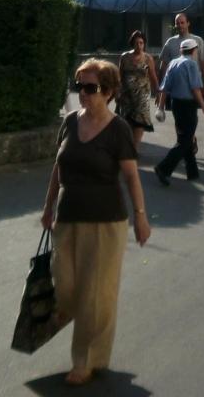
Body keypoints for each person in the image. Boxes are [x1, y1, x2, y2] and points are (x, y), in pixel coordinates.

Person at [41, 58, 151, 386]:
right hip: (68, 216)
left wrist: (141, 217)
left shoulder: (118, 130)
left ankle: (86, 360)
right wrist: (48, 207)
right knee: (64, 285)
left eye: (90, 88)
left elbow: (131, 177)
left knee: (96, 295)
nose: (83, 93)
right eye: (79, 86)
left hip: (106, 221)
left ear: (108, 92)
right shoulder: (70, 122)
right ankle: (75, 317)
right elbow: (58, 168)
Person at [154, 37, 204, 185]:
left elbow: (165, 87)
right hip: (188, 106)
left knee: (185, 138)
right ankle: (163, 168)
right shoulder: (191, 64)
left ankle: (192, 173)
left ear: (181, 50)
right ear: (194, 50)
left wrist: (161, 107)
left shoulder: (173, 62)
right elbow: (195, 89)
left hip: (176, 105)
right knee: (185, 141)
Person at [117, 30, 159, 147]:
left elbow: (153, 76)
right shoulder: (125, 57)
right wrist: (117, 92)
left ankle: (134, 147)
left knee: (140, 121)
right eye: (136, 43)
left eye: (141, 43)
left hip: (142, 96)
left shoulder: (148, 58)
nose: (139, 45)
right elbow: (119, 76)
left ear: (144, 44)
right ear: (132, 44)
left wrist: (158, 93)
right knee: (127, 121)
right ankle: (129, 145)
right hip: (127, 96)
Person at [157, 12, 204, 92]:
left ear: (188, 23)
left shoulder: (198, 41)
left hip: (194, 86)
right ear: (175, 25)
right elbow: (164, 65)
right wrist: (161, 85)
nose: (180, 25)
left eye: (182, 23)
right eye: (177, 23)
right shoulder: (170, 42)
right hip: (174, 86)